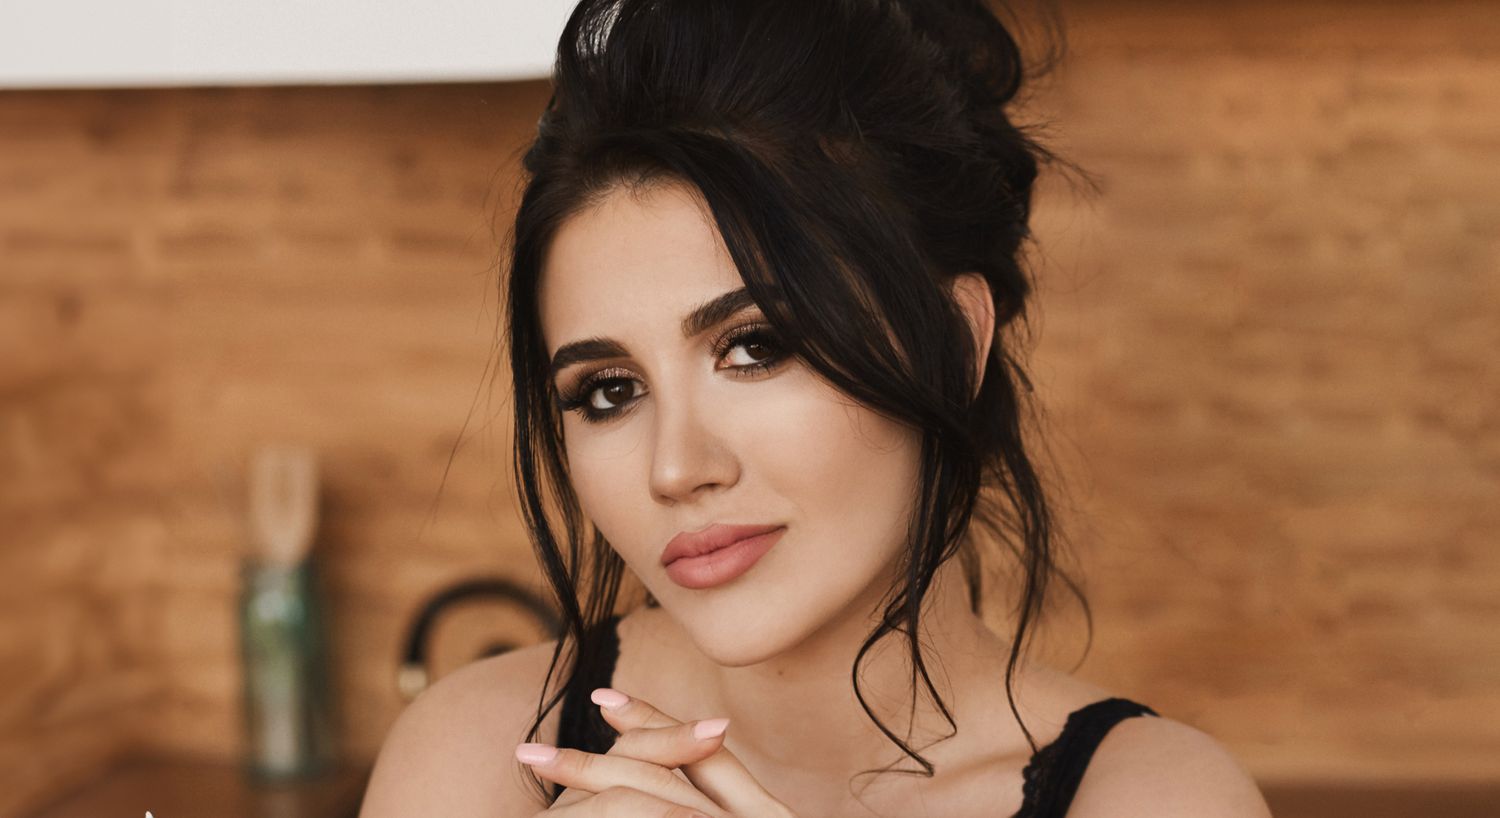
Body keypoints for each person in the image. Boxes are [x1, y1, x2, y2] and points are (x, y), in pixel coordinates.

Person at [360, 1, 1273, 816]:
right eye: (610, 391)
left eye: (755, 347)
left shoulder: (1157, 800)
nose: (676, 468)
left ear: (953, 343)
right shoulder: (477, 764)